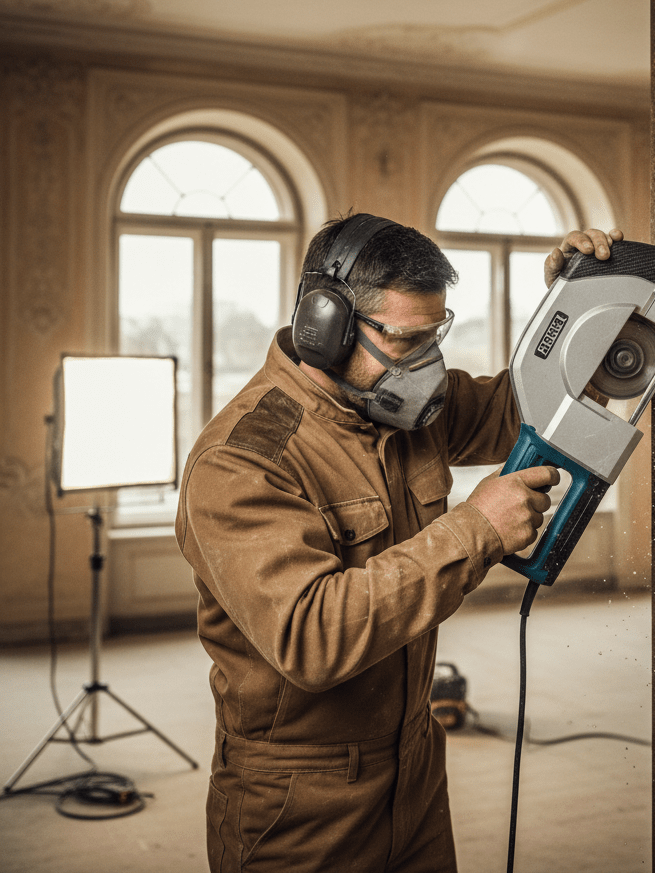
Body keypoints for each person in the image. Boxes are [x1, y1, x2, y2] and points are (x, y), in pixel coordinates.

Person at [175, 211, 623, 873]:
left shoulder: (399, 405)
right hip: (300, 801)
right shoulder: (243, 460)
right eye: (407, 342)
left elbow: (521, 407)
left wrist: (578, 301)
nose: (427, 365)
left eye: (433, 337)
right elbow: (310, 638)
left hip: (413, 766)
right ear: (325, 329)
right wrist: (476, 528)